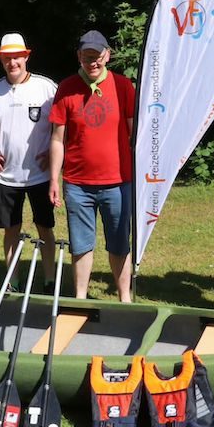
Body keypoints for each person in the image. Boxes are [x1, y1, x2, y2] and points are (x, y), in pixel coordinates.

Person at [48, 30, 135, 302]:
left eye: (97, 57)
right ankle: (81, 298)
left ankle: (125, 298)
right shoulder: (67, 88)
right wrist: (54, 180)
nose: (92, 63)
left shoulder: (123, 86)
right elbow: (57, 139)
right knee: (81, 244)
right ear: (79, 57)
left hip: (118, 182)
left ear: (107, 55)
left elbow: (135, 136)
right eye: (87, 58)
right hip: (77, 184)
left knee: (120, 242)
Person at [0, 33, 58, 292]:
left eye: (17, 57)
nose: (12, 63)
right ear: (1, 60)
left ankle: (50, 279)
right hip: (6, 175)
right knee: (11, 230)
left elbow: (63, 122)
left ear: (26, 56)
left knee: (45, 227)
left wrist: (53, 151)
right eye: (7, 58)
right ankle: (13, 280)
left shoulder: (46, 88)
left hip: (40, 175)